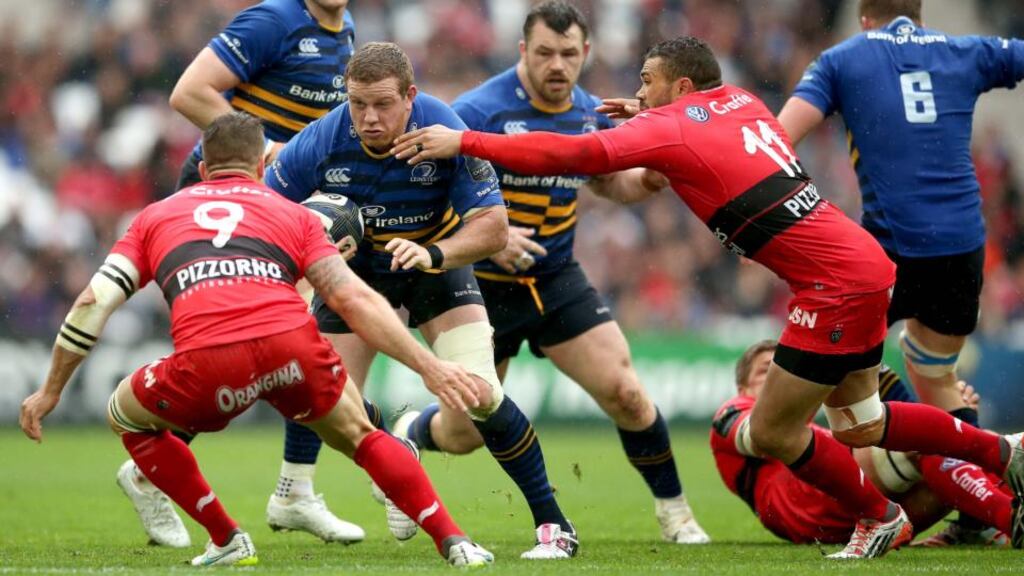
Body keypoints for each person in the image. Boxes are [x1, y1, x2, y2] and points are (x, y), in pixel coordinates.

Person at [390, 36, 1024, 558]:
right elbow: (699, 145)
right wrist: (648, 118)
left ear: (682, 88)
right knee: (864, 421)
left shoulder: (673, 126)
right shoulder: (742, 100)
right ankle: (1006, 452)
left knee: (772, 431)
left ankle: (878, 516)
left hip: (833, 285)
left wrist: (465, 140)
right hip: (862, 262)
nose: (637, 91)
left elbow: (578, 152)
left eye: (646, 80)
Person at [18, 112, 495, 568]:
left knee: (124, 414)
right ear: (263, 167)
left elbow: (93, 302)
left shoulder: (154, 217)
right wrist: (429, 366)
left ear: (203, 169)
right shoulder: (295, 215)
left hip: (208, 362)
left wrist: (52, 389)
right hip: (290, 346)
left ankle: (226, 537)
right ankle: (455, 542)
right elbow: (354, 300)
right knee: (362, 437)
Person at [393, 0, 708, 545]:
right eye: (544, 53)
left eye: (568, 54)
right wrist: (493, 234)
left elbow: (610, 184)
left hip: (556, 278)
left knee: (627, 393)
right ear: (522, 51)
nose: (557, 65)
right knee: (464, 433)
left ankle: (676, 513)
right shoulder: (477, 110)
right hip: (480, 289)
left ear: (587, 52)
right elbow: (428, 193)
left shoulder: (588, 111)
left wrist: (654, 179)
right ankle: (411, 431)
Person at [265, 41, 579, 559]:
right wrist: (301, 270)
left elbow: (495, 229)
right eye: (357, 103)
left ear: (411, 96)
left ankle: (554, 525)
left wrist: (434, 253)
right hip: (356, 276)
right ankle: (394, 458)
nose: (368, 118)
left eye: (383, 104)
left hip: (434, 268)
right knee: (323, 401)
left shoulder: (442, 128)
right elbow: (267, 215)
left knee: (479, 393)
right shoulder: (319, 141)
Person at [119, 0, 363, 548]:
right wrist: (274, 155)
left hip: (282, 200)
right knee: (251, 345)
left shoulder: (343, 28)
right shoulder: (273, 20)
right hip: (231, 193)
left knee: (302, 341)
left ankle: (295, 489)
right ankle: (149, 466)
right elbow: (189, 93)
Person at [777, 1, 1024, 540]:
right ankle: (983, 511)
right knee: (935, 377)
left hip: (887, 253)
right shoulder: (967, 49)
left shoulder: (840, 59)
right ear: (919, 12)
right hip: (961, 246)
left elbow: (778, 139)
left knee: (846, 390)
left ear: (865, 16)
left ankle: (874, 507)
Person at [712, 340, 1018, 547]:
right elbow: (763, 435)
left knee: (955, 443)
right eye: (767, 371)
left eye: (783, 371)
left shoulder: (811, 429)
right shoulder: (731, 412)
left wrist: (957, 423)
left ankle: (976, 523)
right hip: (807, 502)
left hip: (859, 511)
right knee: (938, 444)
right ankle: (1007, 518)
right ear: (742, 386)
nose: (778, 379)